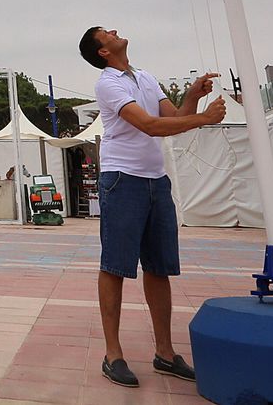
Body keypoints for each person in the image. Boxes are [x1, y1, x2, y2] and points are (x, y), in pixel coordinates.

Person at [79, 26, 223, 388]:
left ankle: (165, 353)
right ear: (103, 52)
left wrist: (192, 97)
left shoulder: (144, 77)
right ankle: (113, 354)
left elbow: (172, 118)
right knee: (114, 266)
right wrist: (203, 119)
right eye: (105, 33)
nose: (114, 31)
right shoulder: (108, 83)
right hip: (121, 179)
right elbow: (149, 126)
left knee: (159, 267)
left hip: (155, 180)